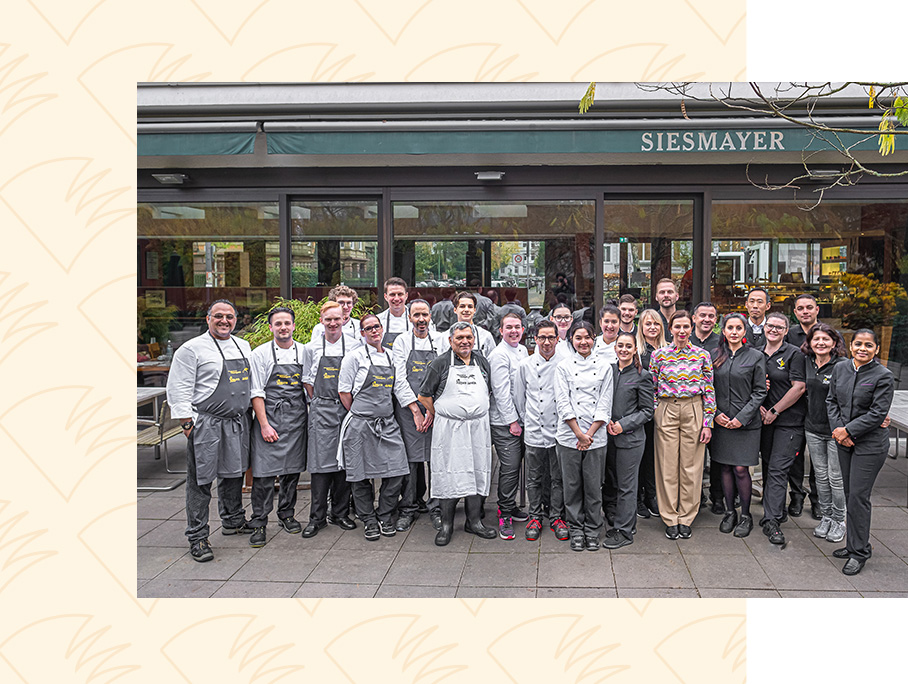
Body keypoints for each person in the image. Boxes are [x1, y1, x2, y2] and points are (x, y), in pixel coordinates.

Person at [166, 299, 253, 562]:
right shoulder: (191, 349)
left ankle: (233, 520)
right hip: (207, 423)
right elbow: (178, 388)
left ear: (235, 319)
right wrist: (187, 425)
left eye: (229, 316)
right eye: (218, 316)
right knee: (201, 481)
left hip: (237, 422)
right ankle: (197, 536)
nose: (224, 321)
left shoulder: (243, 345)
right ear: (208, 319)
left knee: (234, 474)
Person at [418, 322, 497, 546]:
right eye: (460, 338)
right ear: (450, 340)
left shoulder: (482, 362)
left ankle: (474, 521)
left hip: (478, 427)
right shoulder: (440, 364)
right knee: (448, 473)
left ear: (474, 340)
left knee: (478, 472)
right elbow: (424, 396)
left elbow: (487, 390)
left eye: (468, 337)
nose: (465, 342)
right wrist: (443, 413)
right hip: (450, 429)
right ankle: (446, 525)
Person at [827, 329, 895, 575]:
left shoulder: (883, 376)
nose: (862, 349)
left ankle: (859, 553)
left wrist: (848, 431)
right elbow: (831, 401)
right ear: (851, 346)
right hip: (844, 441)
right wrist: (839, 431)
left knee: (858, 496)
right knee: (849, 494)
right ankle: (855, 544)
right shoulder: (840, 368)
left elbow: (877, 414)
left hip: (869, 444)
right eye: (858, 344)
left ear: (876, 349)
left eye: (868, 345)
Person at [337, 314, 411, 540]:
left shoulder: (391, 356)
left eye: (376, 327)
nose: (374, 331)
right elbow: (344, 391)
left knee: (397, 471)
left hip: (387, 424)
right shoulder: (354, 357)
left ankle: (384, 514)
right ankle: (368, 519)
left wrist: (415, 409)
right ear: (362, 333)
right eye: (368, 328)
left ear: (382, 329)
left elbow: (399, 387)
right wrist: (362, 413)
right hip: (360, 425)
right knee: (359, 476)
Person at [649, 310, 715, 540]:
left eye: (686, 326)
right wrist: (656, 412)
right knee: (667, 466)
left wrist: (707, 422)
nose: (682, 331)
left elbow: (709, 389)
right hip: (667, 408)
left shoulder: (702, 355)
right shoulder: (659, 355)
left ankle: (686, 517)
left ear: (691, 327)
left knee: (691, 466)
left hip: (693, 408)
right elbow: (652, 387)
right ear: (670, 329)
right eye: (677, 326)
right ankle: (670, 517)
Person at [248, 306, 309, 547]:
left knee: (291, 473)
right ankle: (259, 521)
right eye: (278, 323)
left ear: (293, 326)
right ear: (271, 327)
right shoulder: (260, 354)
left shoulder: (304, 352)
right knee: (263, 475)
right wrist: (264, 425)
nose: (283, 327)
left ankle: (287, 514)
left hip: (296, 420)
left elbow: (308, 387)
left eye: (287, 323)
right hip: (270, 418)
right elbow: (256, 392)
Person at [302, 301, 363, 537]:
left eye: (337, 318)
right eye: (328, 319)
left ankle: (340, 513)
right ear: (321, 321)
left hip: (347, 409)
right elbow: (307, 381)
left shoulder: (355, 346)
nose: (333, 323)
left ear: (344, 320)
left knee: (343, 463)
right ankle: (316, 517)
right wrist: (321, 402)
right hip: (322, 410)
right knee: (320, 465)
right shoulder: (312, 348)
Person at [554, 321, 614, 552]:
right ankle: (576, 529)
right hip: (569, 436)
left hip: (595, 437)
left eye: (587, 337)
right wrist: (578, 433)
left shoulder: (605, 366)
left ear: (594, 338)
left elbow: (605, 403)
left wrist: (588, 434)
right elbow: (563, 402)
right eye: (578, 338)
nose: (583, 342)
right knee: (571, 486)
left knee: (593, 486)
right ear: (571, 340)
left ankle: (593, 530)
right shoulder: (563, 366)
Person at [709, 313, 766, 538]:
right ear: (723, 331)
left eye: (738, 328)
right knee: (724, 467)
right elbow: (707, 388)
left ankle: (745, 515)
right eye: (730, 328)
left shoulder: (755, 356)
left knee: (741, 469)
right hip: (721, 421)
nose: (734, 332)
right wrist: (715, 414)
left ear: (744, 331)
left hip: (746, 424)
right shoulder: (714, 355)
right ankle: (729, 512)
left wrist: (742, 417)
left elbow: (760, 391)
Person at [515, 320, 569, 541]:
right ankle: (535, 516)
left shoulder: (565, 364)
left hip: (559, 431)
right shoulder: (525, 365)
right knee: (534, 478)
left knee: (558, 478)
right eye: (542, 337)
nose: (546, 342)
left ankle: (556, 517)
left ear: (557, 339)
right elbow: (520, 398)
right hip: (534, 430)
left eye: (551, 337)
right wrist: (528, 420)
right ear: (535, 339)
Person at [391, 298, 443, 531]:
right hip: (408, 409)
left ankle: (437, 507)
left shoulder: (440, 340)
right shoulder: (402, 341)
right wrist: (415, 410)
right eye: (416, 315)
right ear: (409, 317)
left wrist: (431, 410)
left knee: (436, 459)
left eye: (424, 315)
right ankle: (409, 507)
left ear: (430, 316)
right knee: (411, 460)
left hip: (436, 409)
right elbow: (399, 378)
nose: (421, 319)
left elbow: (444, 376)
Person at [758, 312, 807, 546]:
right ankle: (777, 509)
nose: (774, 330)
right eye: (770, 326)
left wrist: (774, 410)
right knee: (768, 466)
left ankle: (772, 520)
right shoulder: (756, 352)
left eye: (779, 327)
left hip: (789, 422)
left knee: (778, 468)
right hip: (763, 421)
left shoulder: (794, 354)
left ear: (786, 331)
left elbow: (799, 387)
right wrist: (759, 407)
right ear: (764, 327)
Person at [602, 332, 654, 549]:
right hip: (608, 437)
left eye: (628, 346)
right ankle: (622, 522)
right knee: (612, 483)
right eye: (620, 345)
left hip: (630, 440)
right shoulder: (608, 371)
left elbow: (647, 411)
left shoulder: (643, 376)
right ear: (615, 348)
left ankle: (624, 532)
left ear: (635, 350)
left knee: (627, 486)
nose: (623, 349)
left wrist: (623, 424)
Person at [801, 323, 848, 543]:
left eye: (825, 339)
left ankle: (839, 520)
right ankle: (827, 516)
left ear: (834, 342)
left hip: (836, 430)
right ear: (810, 342)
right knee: (820, 476)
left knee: (835, 477)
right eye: (816, 339)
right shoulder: (807, 362)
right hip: (813, 428)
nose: (820, 343)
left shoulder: (843, 365)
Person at [488, 312, 530, 539]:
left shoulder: (522, 350)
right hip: (505, 423)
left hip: (521, 420)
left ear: (523, 329)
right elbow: (501, 393)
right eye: (509, 327)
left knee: (516, 468)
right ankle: (504, 513)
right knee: (510, 467)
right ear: (501, 331)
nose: (514, 331)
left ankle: (511, 506)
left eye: (517, 327)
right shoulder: (498, 355)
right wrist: (512, 421)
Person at [786, 293, 821, 519]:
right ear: (795, 312)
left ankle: (818, 499)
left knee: (819, 457)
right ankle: (797, 496)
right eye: (800, 308)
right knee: (796, 454)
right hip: (795, 403)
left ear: (817, 310)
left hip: (820, 402)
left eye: (809, 307)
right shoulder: (789, 335)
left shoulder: (828, 333)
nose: (805, 311)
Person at [689, 301, 722, 513]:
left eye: (711, 316)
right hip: (690, 409)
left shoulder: (722, 343)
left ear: (716, 320)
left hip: (717, 409)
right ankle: (696, 496)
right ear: (694, 318)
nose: (706, 319)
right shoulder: (685, 340)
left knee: (717, 456)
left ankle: (718, 497)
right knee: (693, 458)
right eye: (702, 315)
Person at [634, 309, 665, 520]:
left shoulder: (668, 349)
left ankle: (652, 495)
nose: (652, 327)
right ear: (641, 327)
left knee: (655, 457)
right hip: (640, 410)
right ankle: (637, 498)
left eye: (656, 323)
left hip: (663, 411)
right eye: (648, 324)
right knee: (640, 455)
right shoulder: (636, 351)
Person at [437, 292, 496, 357]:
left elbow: (492, 360)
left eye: (470, 307)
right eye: (462, 306)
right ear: (455, 310)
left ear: (474, 310)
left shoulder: (486, 336)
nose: (466, 310)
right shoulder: (445, 337)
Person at [376, 276, 412, 350]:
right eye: (392, 294)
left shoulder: (417, 320)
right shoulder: (377, 321)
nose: (396, 298)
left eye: (400, 294)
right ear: (386, 297)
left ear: (406, 296)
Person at [654, 278, 679, 344]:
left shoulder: (684, 320)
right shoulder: (652, 321)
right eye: (662, 292)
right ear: (656, 297)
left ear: (677, 296)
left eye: (670, 292)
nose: (666, 295)